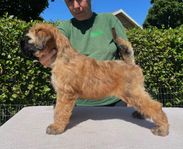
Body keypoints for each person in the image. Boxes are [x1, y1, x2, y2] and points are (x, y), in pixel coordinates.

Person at [39, 0, 129, 107]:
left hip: (114, 101)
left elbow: (126, 54)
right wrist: (44, 54)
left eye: (80, 0)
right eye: (70, 1)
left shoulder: (109, 20)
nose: (76, 6)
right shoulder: (65, 27)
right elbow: (53, 39)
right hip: (78, 105)